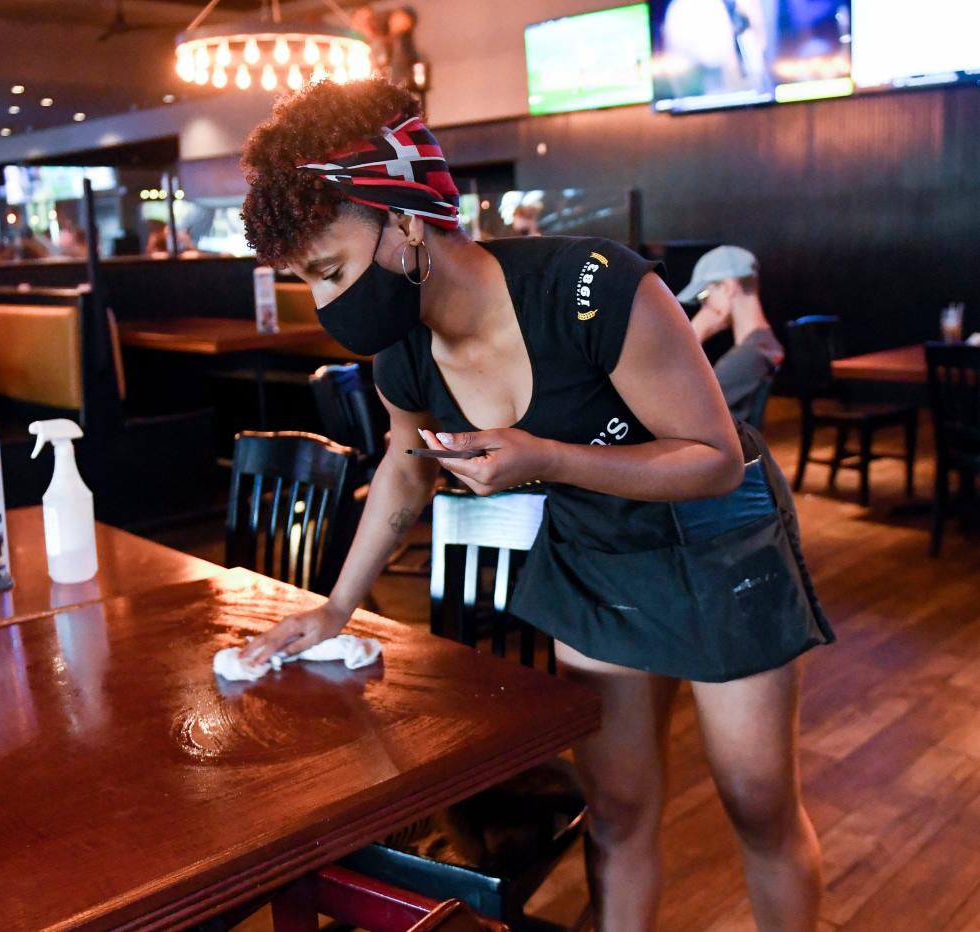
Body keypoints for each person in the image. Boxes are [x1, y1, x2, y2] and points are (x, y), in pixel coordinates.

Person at [238, 79, 831, 931]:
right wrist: (336, 607)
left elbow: (714, 462)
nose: (325, 302)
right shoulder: (405, 353)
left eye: (329, 270)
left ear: (407, 223)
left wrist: (546, 457)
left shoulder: (591, 289)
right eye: (304, 281)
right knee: (619, 807)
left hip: (715, 538)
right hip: (594, 549)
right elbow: (403, 469)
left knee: (757, 800)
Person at [680, 245, 785, 424]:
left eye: (704, 296)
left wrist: (695, 332)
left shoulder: (749, 356)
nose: (703, 306)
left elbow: (681, 411)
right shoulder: (763, 345)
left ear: (728, 288)